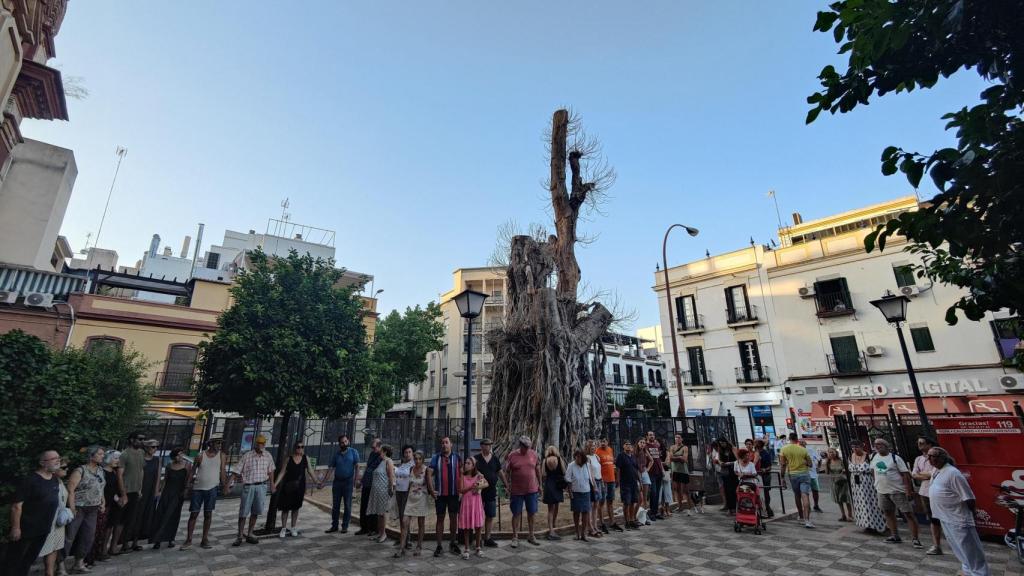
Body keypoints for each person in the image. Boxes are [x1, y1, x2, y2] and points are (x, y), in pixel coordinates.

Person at [927, 447, 990, 576]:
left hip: (959, 520)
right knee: (960, 551)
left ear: (941, 457)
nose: (929, 459)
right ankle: (968, 572)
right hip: (945, 518)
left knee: (972, 553)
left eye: (932, 456)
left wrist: (972, 515)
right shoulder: (936, 471)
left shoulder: (953, 473)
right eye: (928, 456)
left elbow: (969, 498)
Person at [8, 450, 62, 576]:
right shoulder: (30, 480)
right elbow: (16, 506)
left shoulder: (54, 479)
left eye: (58, 457)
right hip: (26, 530)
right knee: (14, 561)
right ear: (43, 463)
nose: (58, 460)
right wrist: (16, 528)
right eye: (54, 458)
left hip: (43, 529)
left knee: (28, 560)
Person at [871, 438, 921, 547]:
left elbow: (905, 475)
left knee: (908, 513)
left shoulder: (895, 458)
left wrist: (908, 490)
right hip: (882, 490)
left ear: (886, 446)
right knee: (888, 513)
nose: (877, 446)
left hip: (897, 490)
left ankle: (915, 538)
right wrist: (876, 483)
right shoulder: (874, 457)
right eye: (876, 445)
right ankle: (895, 535)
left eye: (880, 444)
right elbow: (873, 471)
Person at [64, 446, 105, 574]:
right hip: (79, 508)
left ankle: (79, 563)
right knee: (69, 537)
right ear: (91, 456)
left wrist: (103, 501)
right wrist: (72, 508)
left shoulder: (100, 470)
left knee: (88, 537)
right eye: (100, 454)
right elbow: (70, 490)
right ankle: (59, 565)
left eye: (103, 454)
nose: (102, 456)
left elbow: (100, 486)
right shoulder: (80, 470)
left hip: (93, 508)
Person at [181, 437, 228, 550]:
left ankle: (204, 539)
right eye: (217, 443)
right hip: (198, 488)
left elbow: (222, 471)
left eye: (221, 443)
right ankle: (189, 539)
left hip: (212, 488)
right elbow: (193, 471)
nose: (219, 445)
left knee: (208, 514)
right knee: (194, 514)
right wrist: (187, 486)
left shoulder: (222, 456)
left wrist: (225, 485)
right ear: (210, 444)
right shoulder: (200, 455)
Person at [231, 434, 276, 547]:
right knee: (243, 512)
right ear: (256, 444)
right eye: (259, 443)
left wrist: (272, 484)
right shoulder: (248, 456)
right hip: (249, 486)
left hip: (261, 486)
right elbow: (237, 470)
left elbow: (271, 471)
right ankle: (240, 535)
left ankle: (250, 532)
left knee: (256, 511)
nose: (261, 445)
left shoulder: (267, 455)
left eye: (263, 443)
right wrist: (228, 483)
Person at [273, 441, 318, 538]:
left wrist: (317, 482)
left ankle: (293, 527)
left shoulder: (306, 458)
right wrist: (274, 484)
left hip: (299, 487)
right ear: (295, 448)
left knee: (295, 508)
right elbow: (282, 472)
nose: (300, 449)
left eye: (302, 447)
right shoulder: (288, 459)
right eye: (298, 447)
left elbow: (310, 471)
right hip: (288, 486)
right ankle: (284, 528)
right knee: (285, 508)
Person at [504, 435, 542, 548]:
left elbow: (537, 469)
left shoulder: (533, 454)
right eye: (525, 446)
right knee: (516, 513)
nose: (527, 449)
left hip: (532, 489)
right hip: (517, 490)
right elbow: (506, 471)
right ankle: (515, 537)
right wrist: (507, 485)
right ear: (520, 445)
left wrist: (540, 484)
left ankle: (531, 535)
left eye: (529, 446)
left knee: (532, 513)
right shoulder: (512, 455)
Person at [426, 436, 461, 557]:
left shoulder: (457, 457)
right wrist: (431, 490)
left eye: (446, 442)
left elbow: (463, 473)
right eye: (442, 443)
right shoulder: (436, 457)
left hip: (453, 494)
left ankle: (453, 542)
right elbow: (429, 473)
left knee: (453, 518)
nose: (444, 445)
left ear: (451, 444)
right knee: (440, 519)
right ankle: (439, 545)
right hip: (440, 495)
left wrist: (461, 490)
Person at [150, 448, 190, 549]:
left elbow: (188, 479)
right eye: (178, 455)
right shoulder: (169, 465)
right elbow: (166, 479)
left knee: (173, 515)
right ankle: (157, 539)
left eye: (181, 454)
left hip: (178, 493)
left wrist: (186, 490)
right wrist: (160, 492)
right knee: (161, 515)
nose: (180, 457)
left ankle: (170, 539)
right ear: (174, 456)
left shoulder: (187, 465)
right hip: (167, 492)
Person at [913, 437, 944, 555]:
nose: (919, 445)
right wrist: (927, 475)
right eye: (918, 443)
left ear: (930, 444)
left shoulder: (937, 458)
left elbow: (936, 473)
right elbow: (914, 474)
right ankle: (937, 544)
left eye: (922, 443)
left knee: (944, 517)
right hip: (925, 492)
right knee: (932, 518)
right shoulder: (918, 459)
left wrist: (924, 474)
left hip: (939, 492)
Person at [323, 434, 360, 534]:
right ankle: (334, 526)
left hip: (348, 482)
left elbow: (357, 467)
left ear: (348, 441)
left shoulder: (353, 452)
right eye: (342, 442)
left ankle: (345, 526)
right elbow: (330, 469)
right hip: (337, 483)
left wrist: (356, 481)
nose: (344, 443)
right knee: (335, 505)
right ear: (339, 444)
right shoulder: (336, 454)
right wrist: (323, 482)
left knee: (348, 505)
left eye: (345, 441)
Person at [38, 458, 69, 576]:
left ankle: (50, 572)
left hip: (59, 520)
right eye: (64, 468)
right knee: (48, 547)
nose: (67, 470)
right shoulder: (48, 481)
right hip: (49, 519)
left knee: (56, 546)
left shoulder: (60, 481)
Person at [848, 440, 886, 533]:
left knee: (872, 503)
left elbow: (878, 469)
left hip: (868, 482)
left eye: (856, 446)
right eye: (853, 447)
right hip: (856, 483)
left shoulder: (870, 456)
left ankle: (877, 524)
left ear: (862, 446)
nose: (854, 449)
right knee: (860, 503)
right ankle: (866, 524)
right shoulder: (850, 456)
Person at [115, 433, 144, 554]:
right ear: (132, 440)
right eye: (140, 439)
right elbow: (119, 475)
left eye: (143, 439)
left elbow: (141, 470)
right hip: (126, 491)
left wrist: (140, 489)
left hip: (135, 491)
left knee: (130, 519)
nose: (142, 441)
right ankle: (114, 545)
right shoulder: (125, 454)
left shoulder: (141, 453)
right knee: (120, 520)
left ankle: (125, 544)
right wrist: (123, 493)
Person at [395, 451, 427, 558]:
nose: (417, 461)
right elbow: (409, 484)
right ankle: (401, 548)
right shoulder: (410, 469)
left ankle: (419, 546)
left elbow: (429, 484)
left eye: (419, 459)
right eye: (416, 459)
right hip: (410, 498)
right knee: (404, 522)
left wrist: (433, 493)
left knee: (421, 523)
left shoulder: (426, 470)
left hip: (421, 498)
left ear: (422, 459)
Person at [779, 433, 814, 529]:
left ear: (789, 439)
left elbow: (783, 465)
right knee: (805, 495)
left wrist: (782, 478)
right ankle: (807, 520)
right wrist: (804, 462)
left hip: (793, 474)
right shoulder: (803, 449)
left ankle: (801, 516)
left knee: (797, 495)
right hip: (804, 474)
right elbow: (810, 464)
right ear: (796, 439)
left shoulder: (784, 449)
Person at [94, 451, 124, 561]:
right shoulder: (101, 472)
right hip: (102, 504)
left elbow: (113, 489)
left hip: (112, 504)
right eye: (115, 458)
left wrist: (118, 499)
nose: (118, 461)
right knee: (100, 529)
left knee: (109, 527)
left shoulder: (114, 472)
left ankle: (103, 550)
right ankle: (96, 552)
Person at [458, 457, 487, 559]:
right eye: (465, 463)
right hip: (466, 504)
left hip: (476, 503)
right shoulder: (463, 476)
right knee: (466, 527)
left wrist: (479, 486)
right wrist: (471, 487)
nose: (466, 464)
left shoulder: (478, 476)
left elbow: (486, 483)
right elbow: (461, 490)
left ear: (473, 465)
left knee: (478, 526)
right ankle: (466, 549)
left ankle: (478, 548)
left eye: (469, 463)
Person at [133, 439, 160, 549]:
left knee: (147, 515)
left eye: (156, 447)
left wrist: (157, 491)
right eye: (153, 447)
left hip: (150, 491)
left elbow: (158, 476)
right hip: (140, 490)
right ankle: (132, 541)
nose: (155, 449)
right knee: (136, 515)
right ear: (147, 448)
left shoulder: (157, 460)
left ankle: (142, 538)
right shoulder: (140, 459)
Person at [473, 439, 501, 547]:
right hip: (479, 492)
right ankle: (478, 538)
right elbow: (470, 470)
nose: (488, 447)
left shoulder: (495, 459)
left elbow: (499, 471)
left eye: (490, 445)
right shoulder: (476, 459)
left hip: (491, 491)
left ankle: (487, 537)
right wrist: (477, 473)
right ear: (481, 446)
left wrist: (506, 484)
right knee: (478, 515)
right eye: (486, 445)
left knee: (490, 515)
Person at [565, 449, 597, 541]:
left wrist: (595, 487)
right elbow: (568, 479)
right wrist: (570, 493)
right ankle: (577, 533)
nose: (577, 458)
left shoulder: (587, 465)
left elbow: (591, 477)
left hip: (586, 492)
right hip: (575, 492)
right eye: (576, 456)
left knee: (586, 513)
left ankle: (584, 533)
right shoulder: (571, 465)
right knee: (576, 513)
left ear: (583, 457)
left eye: (579, 456)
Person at [366, 444, 396, 543]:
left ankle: (384, 534)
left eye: (381, 451)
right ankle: (380, 533)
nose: (380, 453)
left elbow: (391, 476)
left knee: (383, 513)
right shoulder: (380, 461)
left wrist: (390, 488)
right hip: (376, 491)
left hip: (384, 491)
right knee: (379, 514)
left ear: (385, 452)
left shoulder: (388, 461)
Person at [356, 438, 383, 536]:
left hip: (375, 484)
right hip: (366, 483)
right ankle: (364, 527)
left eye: (374, 447)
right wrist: (361, 481)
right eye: (372, 447)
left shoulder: (382, 456)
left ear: (380, 446)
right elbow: (368, 467)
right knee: (364, 506)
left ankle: (373, 528)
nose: (373, 449)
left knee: (373, 507)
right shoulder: (372, 454)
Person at [594, 438, 620, 531]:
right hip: (603, 480)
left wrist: (616, 478)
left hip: (611, 479)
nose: (603, 443)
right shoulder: (597, 452)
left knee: (610, 501)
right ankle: (601, 523)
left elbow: (612, 464)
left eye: (604, 441)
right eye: (601, 441)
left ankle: (612, 522)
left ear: (607, 442)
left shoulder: (610, 450)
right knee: (601, 502)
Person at [541, 445, 566, 540]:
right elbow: (564, 471)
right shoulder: (559, 459)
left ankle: (551, 529)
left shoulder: (545, 460)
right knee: (556, 507)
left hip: (549, 485)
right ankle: (553, 527)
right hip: (558, 485)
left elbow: (543, 475)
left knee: (550, 509)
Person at [615, 440, 641, 529]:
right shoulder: (621, 456)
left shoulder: (633, 456)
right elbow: (617, 468)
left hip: (634, 482)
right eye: (626, 444)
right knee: (626, 502)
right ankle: (626, 522)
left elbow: (636, 469)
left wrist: (639, 481)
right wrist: (617, 480)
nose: (628, 446)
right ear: (623, 446)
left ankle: (631, 520)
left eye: (630, 444)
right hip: (625, 483)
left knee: (633, 502)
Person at [823, 448, 852, 522]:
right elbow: (826, 473)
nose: (831, 454)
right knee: (839, 499)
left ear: (836, 452)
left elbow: (847, 469)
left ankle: (850, 515)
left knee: (846, 499)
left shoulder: (841, 460)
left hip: (843, 481)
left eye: (832, 452)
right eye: (829, 452)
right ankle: (843, 515)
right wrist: (826, 463)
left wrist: (844, 471)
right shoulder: (828, 462)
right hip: (835, 482)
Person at [394, 445, 415, 546]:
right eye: (406, 452)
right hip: (399, 491)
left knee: (405, 516)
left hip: (407, 492)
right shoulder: (403, 464)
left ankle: (408, 540)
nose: (407, 454)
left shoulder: (413, 465)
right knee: (401, 515)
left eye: (409, 452)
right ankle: (403, 536)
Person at [668, 433, 692, 516]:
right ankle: (680, 506)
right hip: (675, 471)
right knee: (677, 490)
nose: (677, 439)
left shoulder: (685, 447)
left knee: (686, 490)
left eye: (679, 437)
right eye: (676, 437)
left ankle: (689, 507)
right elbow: (670, 458)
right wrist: (679, 457)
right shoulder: (672, 447)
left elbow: (685, 459)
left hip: (684, 471)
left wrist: (676, 457)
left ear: (682, 439)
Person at [584, 441, 604, 537]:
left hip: (599, 480)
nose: (593, 448)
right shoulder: (587, 458)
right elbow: (590, 473)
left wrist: (602, 482)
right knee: (591, 505)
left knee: (596, 504)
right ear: (588, 447)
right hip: (592, 482)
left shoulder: (597, 457)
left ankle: (595, 525)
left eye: (594, 446)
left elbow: (599, 470)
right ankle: (590, 526)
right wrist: (594, 485)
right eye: (591, 446)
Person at [644, 431, 665, 520]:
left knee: (657, 494)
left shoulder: (657, 445)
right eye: (650, 435)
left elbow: (658, 459)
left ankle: (655, 512)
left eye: (653, 435)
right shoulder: (645, 446)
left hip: (659, 472)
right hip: (651, 473)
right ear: (647, 436)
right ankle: (652, 513)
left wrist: (662, 470)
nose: (652, 436)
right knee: (653, 493)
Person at [799, 440, 823, 514]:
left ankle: (816, 505)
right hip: (803, 474)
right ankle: (807, 506)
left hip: (813, 474)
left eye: (803, 442)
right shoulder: (797, 452)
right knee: (805, 492)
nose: (802, 443)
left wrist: (818, 468)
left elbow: (819, 459)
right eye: (800, 442)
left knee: (815, 490)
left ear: (806, 443)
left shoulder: (811, 450)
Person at [716, 438, 738, 515]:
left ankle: (735, 508)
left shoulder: (733, 448)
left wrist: (728, 463)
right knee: (727, 490)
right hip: (724, 472)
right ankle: (729, 508)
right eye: (720, 443)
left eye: (723, 443)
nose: (722, 445)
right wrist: (720, 462)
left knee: (733, 490)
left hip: (732, 471)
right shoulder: (721, 450)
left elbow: (738, 460)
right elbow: (718, 459)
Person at [755, 439, 775, 517]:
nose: (755, 444)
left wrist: (764, 469)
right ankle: (761, 508)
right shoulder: (755, 453)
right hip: (758, 475)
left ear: (760, 444)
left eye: (756, 443)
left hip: (765, 475)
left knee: (765, 492)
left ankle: (767, 508)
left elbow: (769, 466)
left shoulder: (765, 453)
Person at [635, 439, 651, 518]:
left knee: (645, 496)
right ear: (638, 443)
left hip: (644, 473)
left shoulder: (645, 451)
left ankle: (645, 515)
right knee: (639, 497)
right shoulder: (635, 453)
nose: (642, 444)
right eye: (641, 442)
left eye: (644, 443)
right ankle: (636, 515)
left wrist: (647, 468)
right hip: (637, 474)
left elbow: (652, 460)